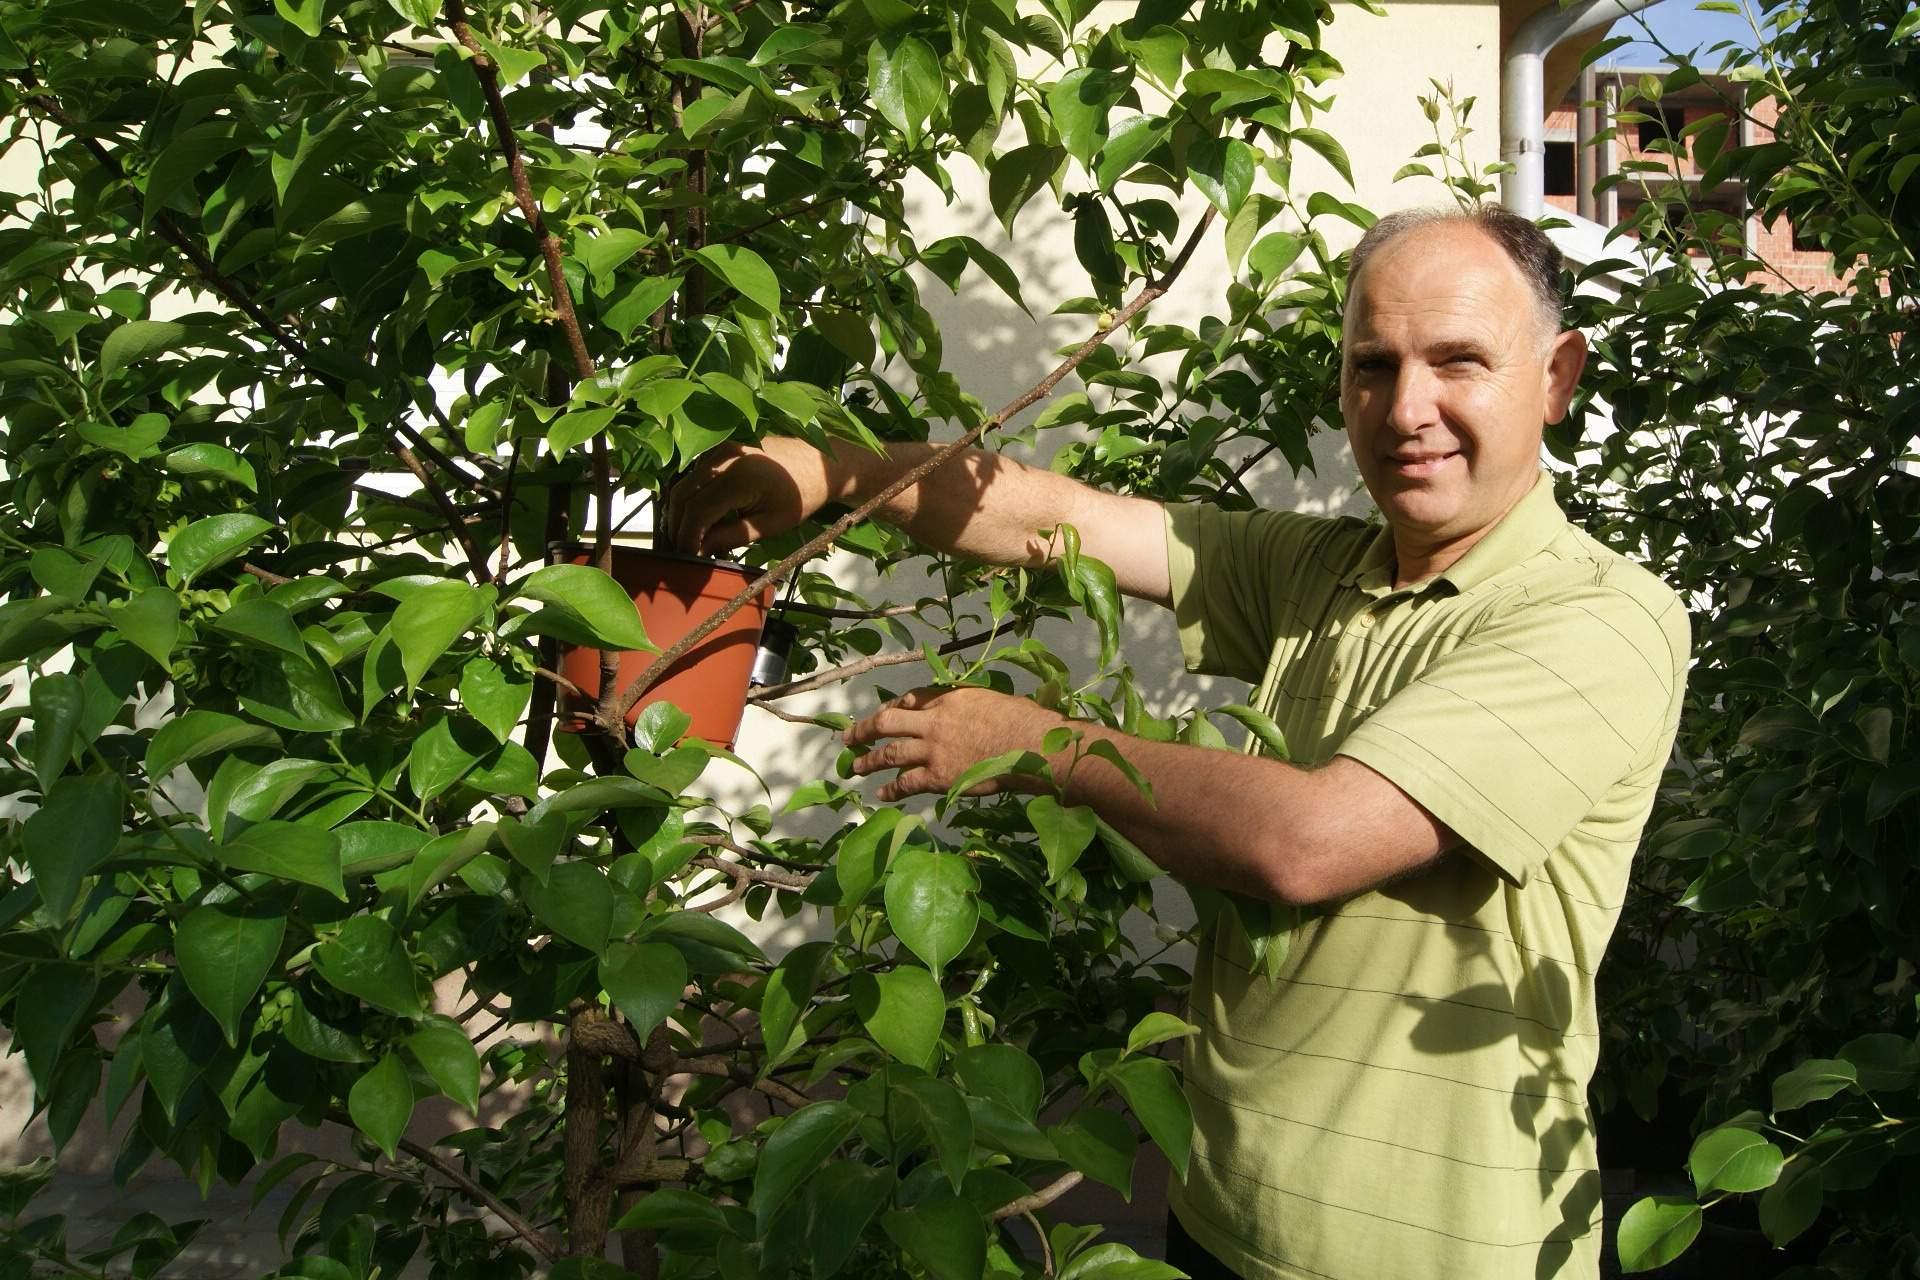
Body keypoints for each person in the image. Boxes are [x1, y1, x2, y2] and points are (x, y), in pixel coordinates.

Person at [664, 204, 1690, 1280]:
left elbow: (1312, 840)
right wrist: (832, 471)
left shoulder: (1601, 618)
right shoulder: (1325, 571)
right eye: (1373, 366)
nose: (1407, 408)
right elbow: (1064, 521)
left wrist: (1041, 743)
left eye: (1459, 362)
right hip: (1220, 1214)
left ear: (1557, 376)